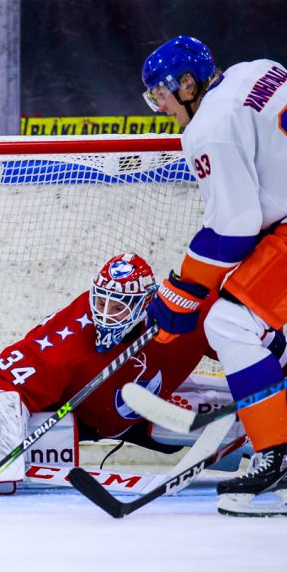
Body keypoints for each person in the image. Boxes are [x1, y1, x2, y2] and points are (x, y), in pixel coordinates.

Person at [140, 36, 287, 516]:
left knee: (230, 322)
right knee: (258, 322)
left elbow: (236, 226)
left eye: (161, 94)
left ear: (188, 84)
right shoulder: (257, 67)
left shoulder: (209, 127)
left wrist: (182, 286)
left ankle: (278, 460)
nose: (160, 107)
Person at [0, 254, 229, 491]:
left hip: (143, 410)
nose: (104, 315)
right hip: (82, 414)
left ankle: (252, 449)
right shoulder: (68, 336)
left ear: (146, 303)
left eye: (118, 307)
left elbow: (243, 348)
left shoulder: (188, 315)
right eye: (101, 302)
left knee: (225, 414)